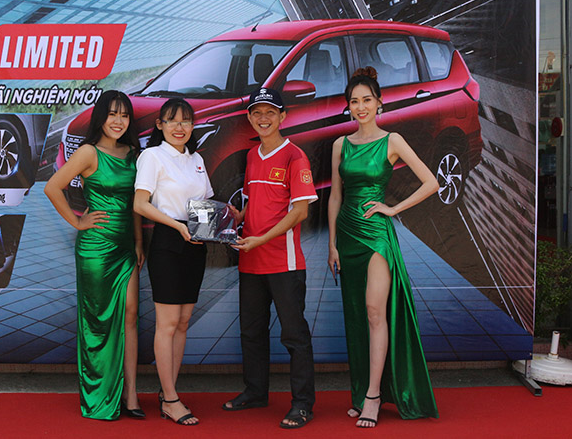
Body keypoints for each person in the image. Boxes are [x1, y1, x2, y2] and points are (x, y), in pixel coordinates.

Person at [327, 67, 439, 428]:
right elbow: (335, 197)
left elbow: (431, 183)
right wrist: (331, 244)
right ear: (348, 106)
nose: (360, 107)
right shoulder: (340, 145)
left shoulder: (392, 141)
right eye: (354, 101)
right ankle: (362, 392)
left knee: (375, 312)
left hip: (376, 236)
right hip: (347, 235)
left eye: (367, 100)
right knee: (356, 316)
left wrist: (393, 209)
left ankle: (374, 396)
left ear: (379, 103)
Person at [44, 90, 145, 421]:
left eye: (124, 115)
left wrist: (139, 243)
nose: (118, 121)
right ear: (101, 117)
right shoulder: (88, 152)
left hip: (126, 247)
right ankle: (100, 395)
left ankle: (131, 394)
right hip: (96, 250)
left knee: (130, 315)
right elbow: (52, 187)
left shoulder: (133, 154)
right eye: (112, 114)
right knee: (98, 322)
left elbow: (136, 204)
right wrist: (77, 222)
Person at [223, 88, 318, 430]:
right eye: (257, 113)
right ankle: (255, 392)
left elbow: (300, 212)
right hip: (250, 260)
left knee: (294, 335)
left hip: (283, 262)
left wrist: (262, 238)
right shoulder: (251, 155)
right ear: (249, 117)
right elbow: (252, 202)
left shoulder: (295, 157)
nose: (263, 118)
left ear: (283, 117)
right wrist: (237, 216)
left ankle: (303, 404)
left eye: (270, 112)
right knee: (251, 332)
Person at [133, 98, 213, 426]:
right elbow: (140, 204)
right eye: (172, 120)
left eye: (186, 121)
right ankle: (170, 399)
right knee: (167, 323)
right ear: (160, 125)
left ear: (192, 126)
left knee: (183, 322)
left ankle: (170, 391)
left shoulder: (196, 159)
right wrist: (177, 226)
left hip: (196, 243)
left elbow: (206, 202)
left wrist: (224, 220)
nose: (180, 127)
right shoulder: (152, 156)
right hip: (168, 241)